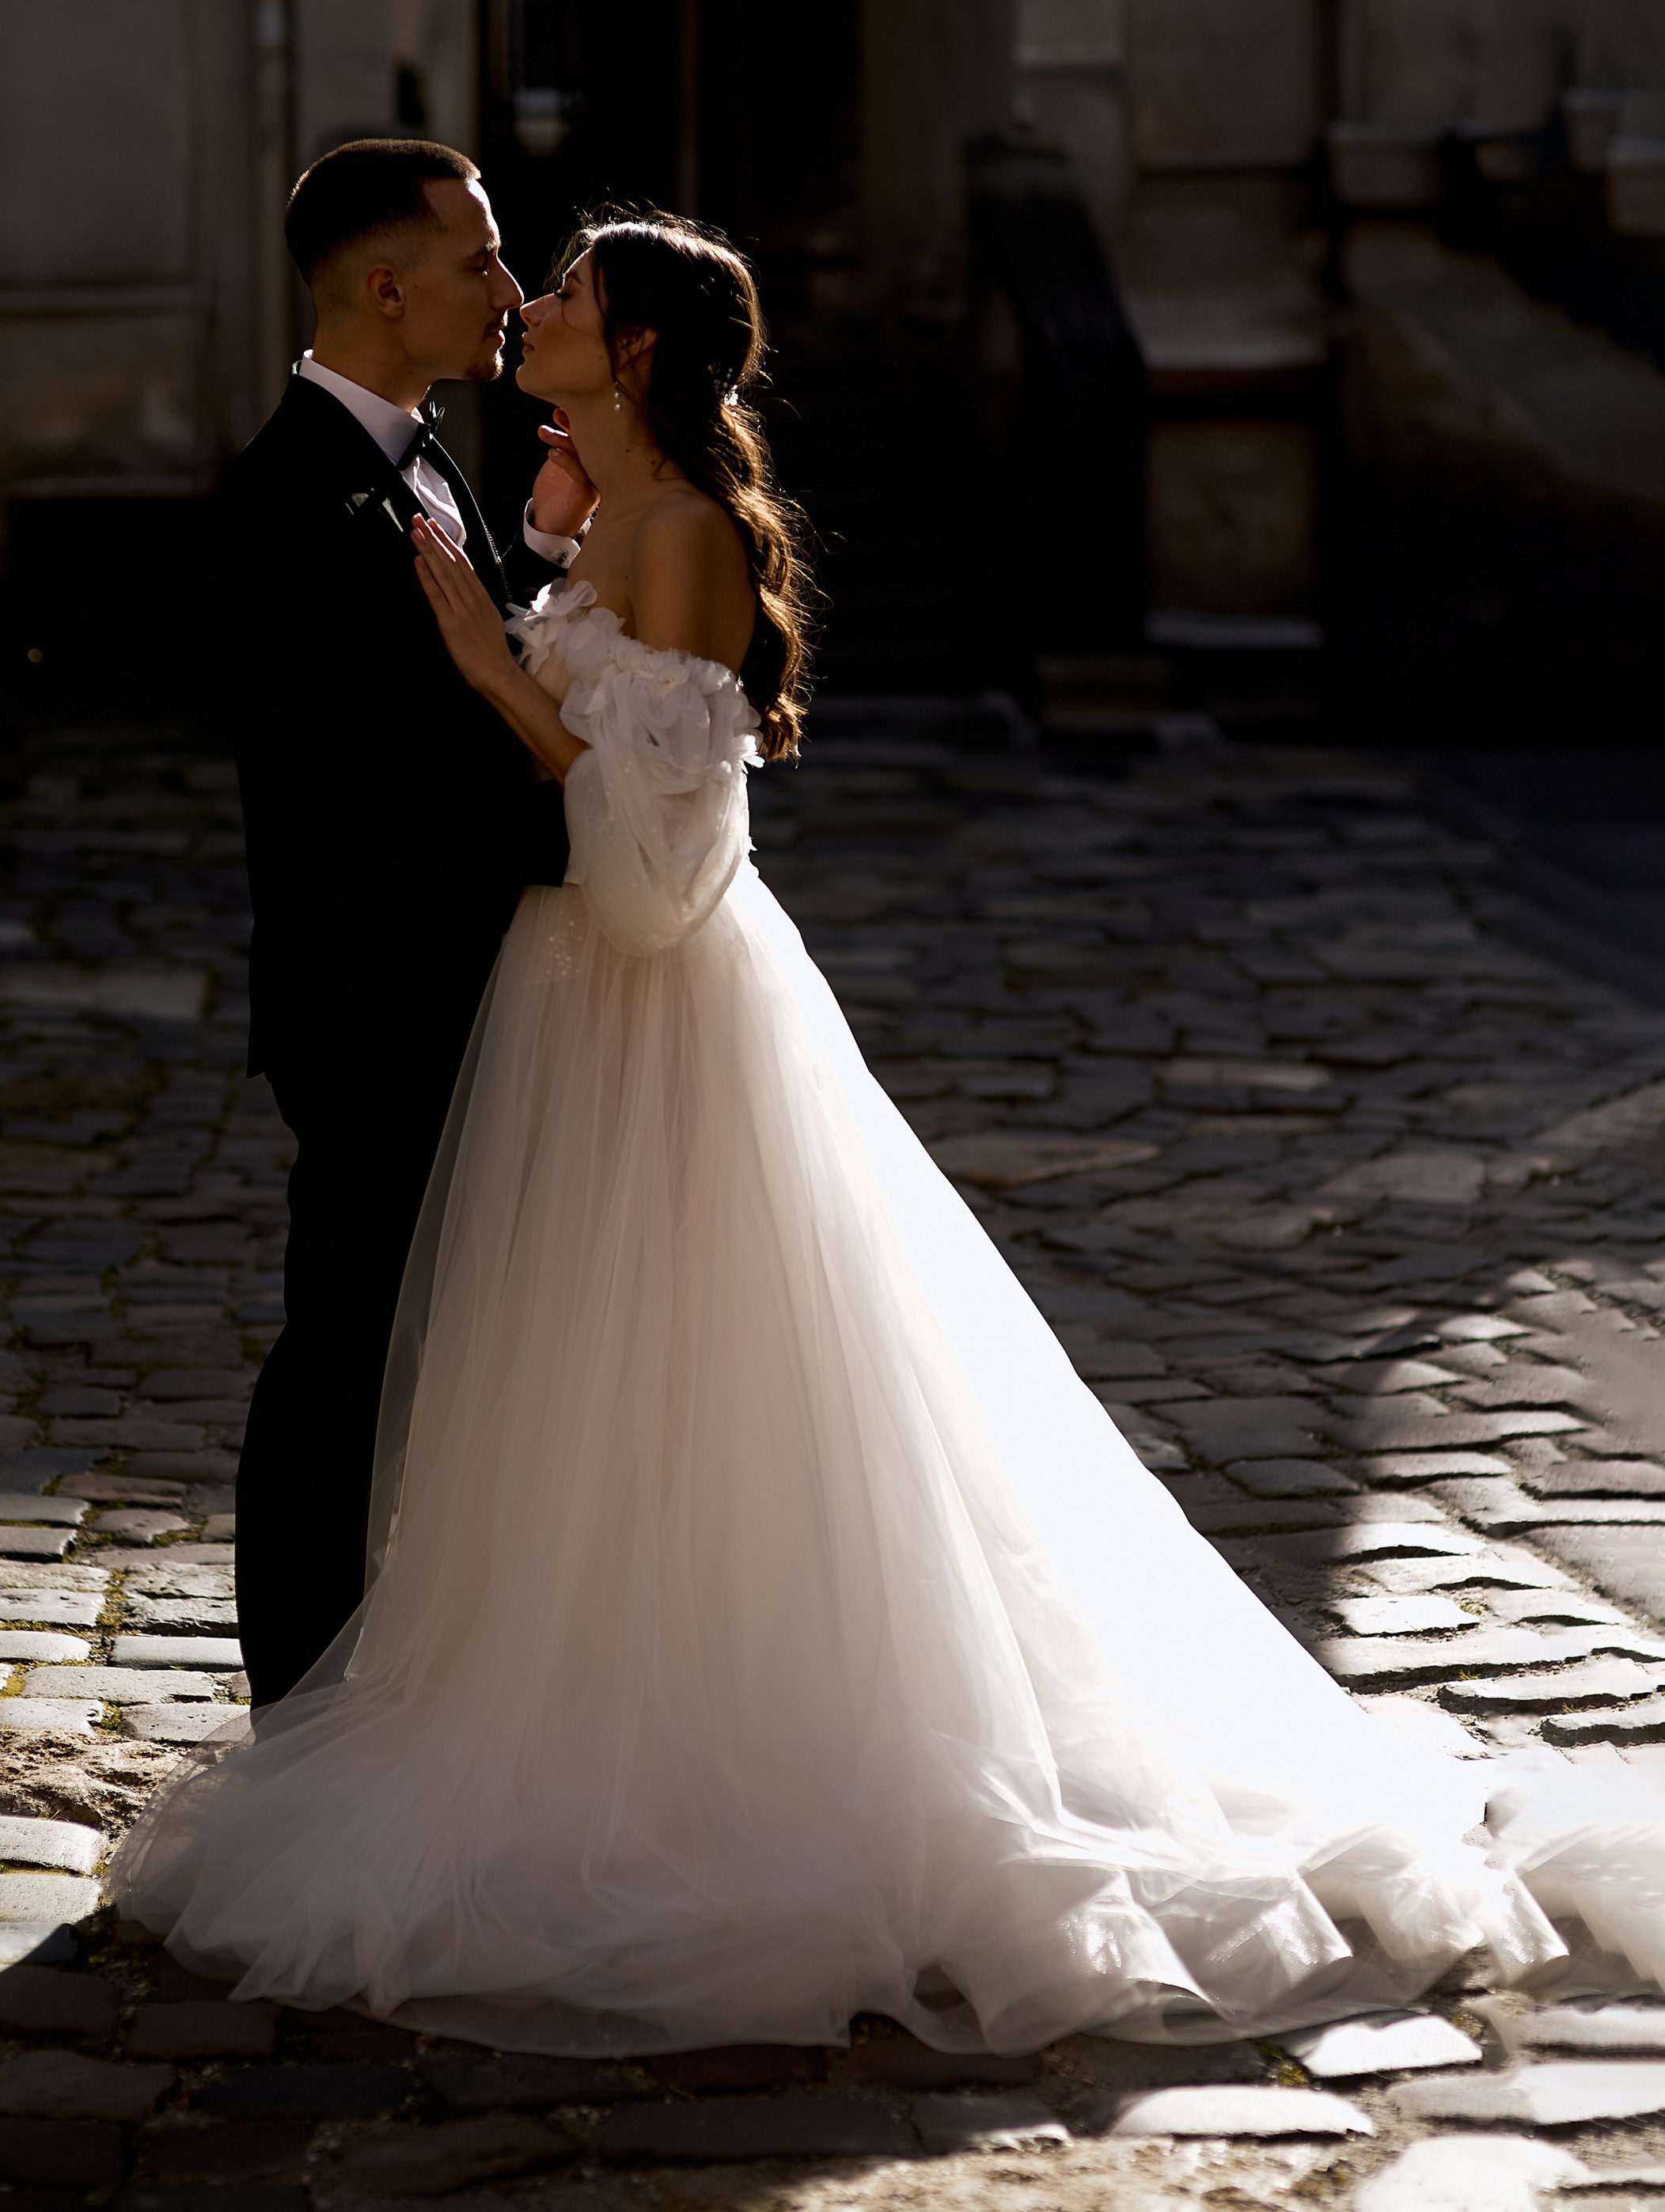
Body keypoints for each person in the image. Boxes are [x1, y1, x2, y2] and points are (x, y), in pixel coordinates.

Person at [121, 212, 1665, 2058]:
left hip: (651, 1014)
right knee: (574, 1396)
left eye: (567, 295)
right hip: (547, 1018)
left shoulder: (679, 534)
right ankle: (614, 1700)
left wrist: (499, 683)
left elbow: (662, 879)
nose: (523, 299)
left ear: (629, 354)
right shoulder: (577, 507)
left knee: (711, 1382)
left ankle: (756, 1759)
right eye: (502, 273)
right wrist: (539, 586)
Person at [220, 139, 592, 1709]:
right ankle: (296, 1701)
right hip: (376, 997)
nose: (505, 291)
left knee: (436, 1355)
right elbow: (355, 789)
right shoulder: (291, 494)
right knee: (343, 1355)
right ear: (383, 287)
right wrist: (599, 825)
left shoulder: (428, 461)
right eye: (476, 262)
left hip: (465, 982)